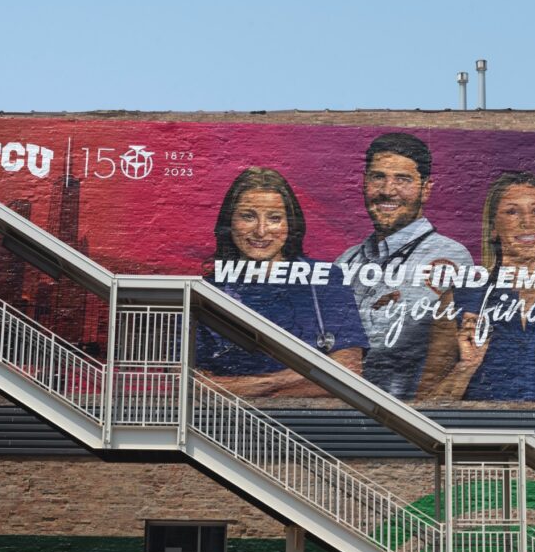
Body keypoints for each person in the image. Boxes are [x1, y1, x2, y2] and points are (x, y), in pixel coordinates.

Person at [417, 171, 535, 401]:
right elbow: (425, 406)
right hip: (482, 437)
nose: (526, 222)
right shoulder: (460, 299)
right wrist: (465, 367)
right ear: (493, 228)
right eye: (512, 212)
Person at [196, 167, 368, 397]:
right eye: (248, 216)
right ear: (230, 221)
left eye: (274, 218)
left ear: (290, 225)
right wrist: (304, 375)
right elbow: (190, 384)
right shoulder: (205, 292)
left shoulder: (326, 280)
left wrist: (242, 387)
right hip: (223, 426)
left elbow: (348, 373)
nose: (261, 231)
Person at [336, 133, 473, 399]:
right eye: (378, 177)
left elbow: (396, 345)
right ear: (364, 183)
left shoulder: (451, 257)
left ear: (426, 189)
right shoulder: (345, 262)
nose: (388, 190)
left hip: (406, 417)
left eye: (402, 179)